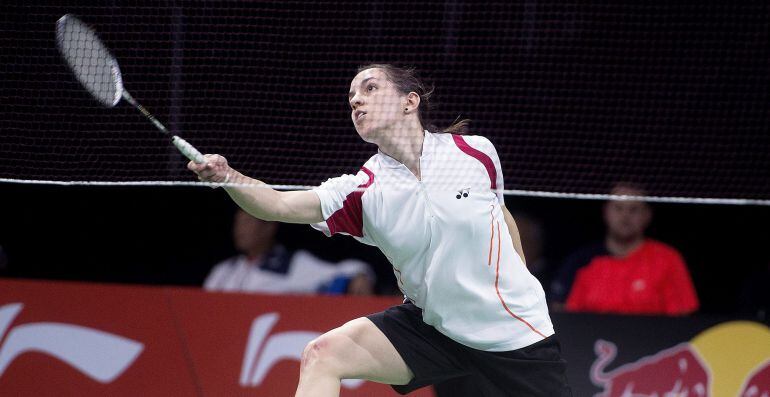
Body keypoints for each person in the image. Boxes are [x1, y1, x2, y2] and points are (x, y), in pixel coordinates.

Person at [189, 64, 570, 396]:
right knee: (322, 355)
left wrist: (523, 284)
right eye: (351, 96)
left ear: (410, 101)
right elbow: (278, 205)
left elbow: (500, 217)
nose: (356, 100)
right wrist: (228, 177)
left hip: (514, 333)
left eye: (370, 88)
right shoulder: (362, 192)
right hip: (434, 328)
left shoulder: (474, 153)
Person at [552, 183, 699, 315]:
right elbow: (566, 315)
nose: (625, 216)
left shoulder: (667, 259)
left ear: (647, 215)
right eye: (618, 208)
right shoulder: (583, 261)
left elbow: (683, 317)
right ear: (606, 212)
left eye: (633, 209)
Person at [204, 208, 374, 295]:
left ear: (269, 227)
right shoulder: (223, 271)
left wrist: (359, 274)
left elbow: (344, 270)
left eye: (247, 222)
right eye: (238, 223)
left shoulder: (291, 264)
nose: (240, 229)